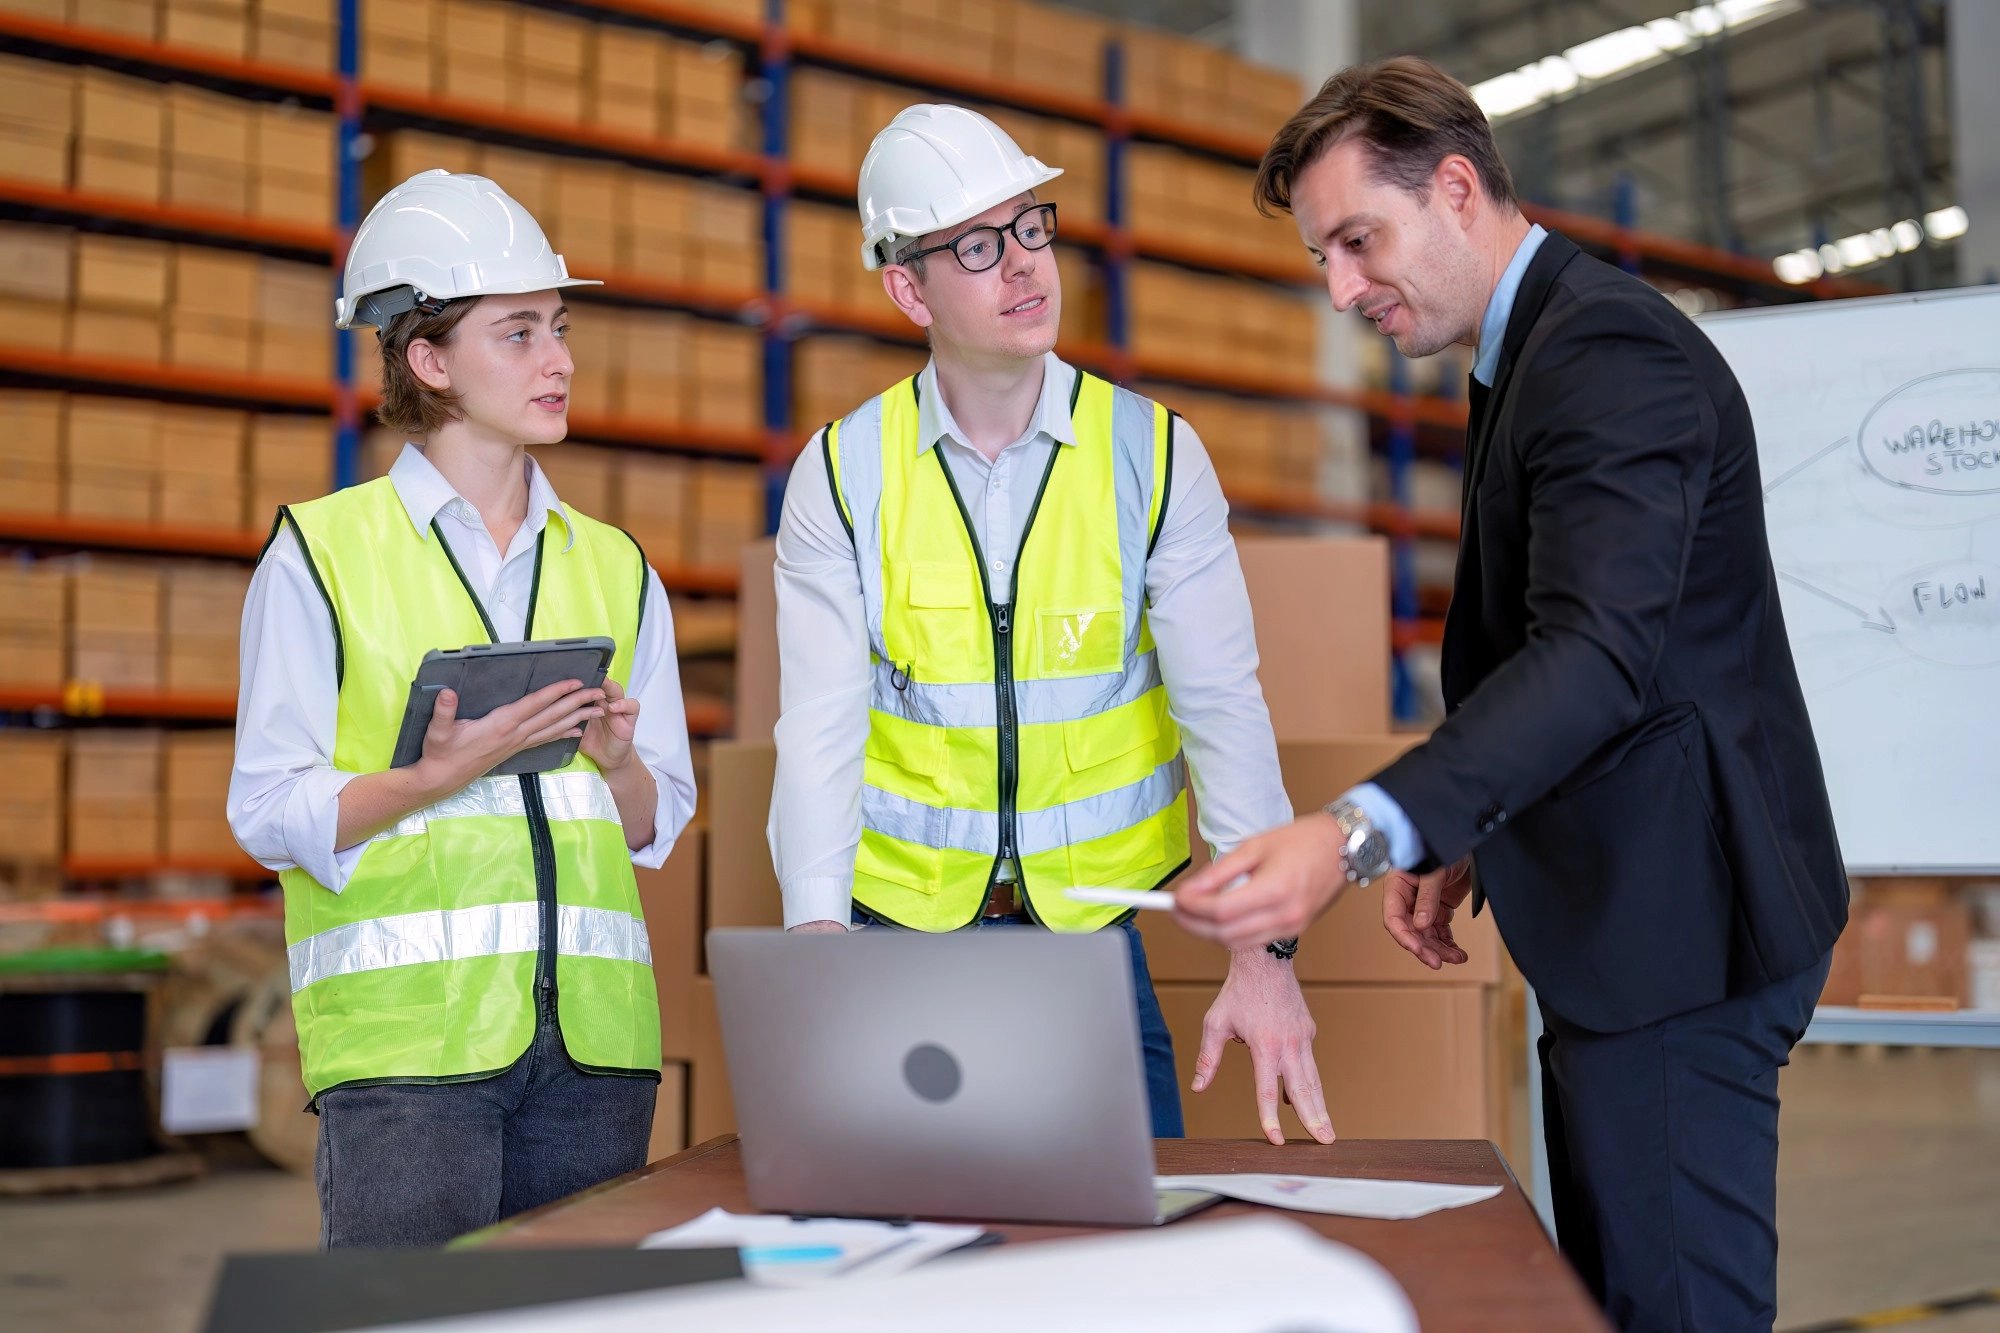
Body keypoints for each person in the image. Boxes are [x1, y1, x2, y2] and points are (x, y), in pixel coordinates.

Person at [1172, 59, 1847, 1332]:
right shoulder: (1525, 350)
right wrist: (1475, 825)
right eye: (1323, 255)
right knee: (1609, 1295)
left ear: (1459, 189)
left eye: (1357, 241)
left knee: (1672, 1312)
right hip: (1627, 930)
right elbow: (1566, 647)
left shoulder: (1603, 351)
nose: (1340, 288)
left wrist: (1364, 830)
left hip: (1679, 941)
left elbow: (1595, 656)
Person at [768, 104, 1331, 1145]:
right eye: (976, 246)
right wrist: (814, 943)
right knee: (915, 1278)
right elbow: (818, 725)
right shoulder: (841, 473)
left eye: (1031, 227)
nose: (1022, 265)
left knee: (1127, 1275)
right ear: (906, 288)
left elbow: (1221, 708)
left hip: (1089, 941)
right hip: (898, 938)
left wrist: (1263, 956)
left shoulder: (1153, 454)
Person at [227, 169, 698, 1248]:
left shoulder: (615, 566)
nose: (560, 359)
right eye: (520, 332)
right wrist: (429, 777)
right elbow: (268, 812)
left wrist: (618, 760)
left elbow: (650, 821)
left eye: (560, 327)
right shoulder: (322, 554)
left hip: (594, 1054)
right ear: (430, 361)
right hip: (409, 1060)